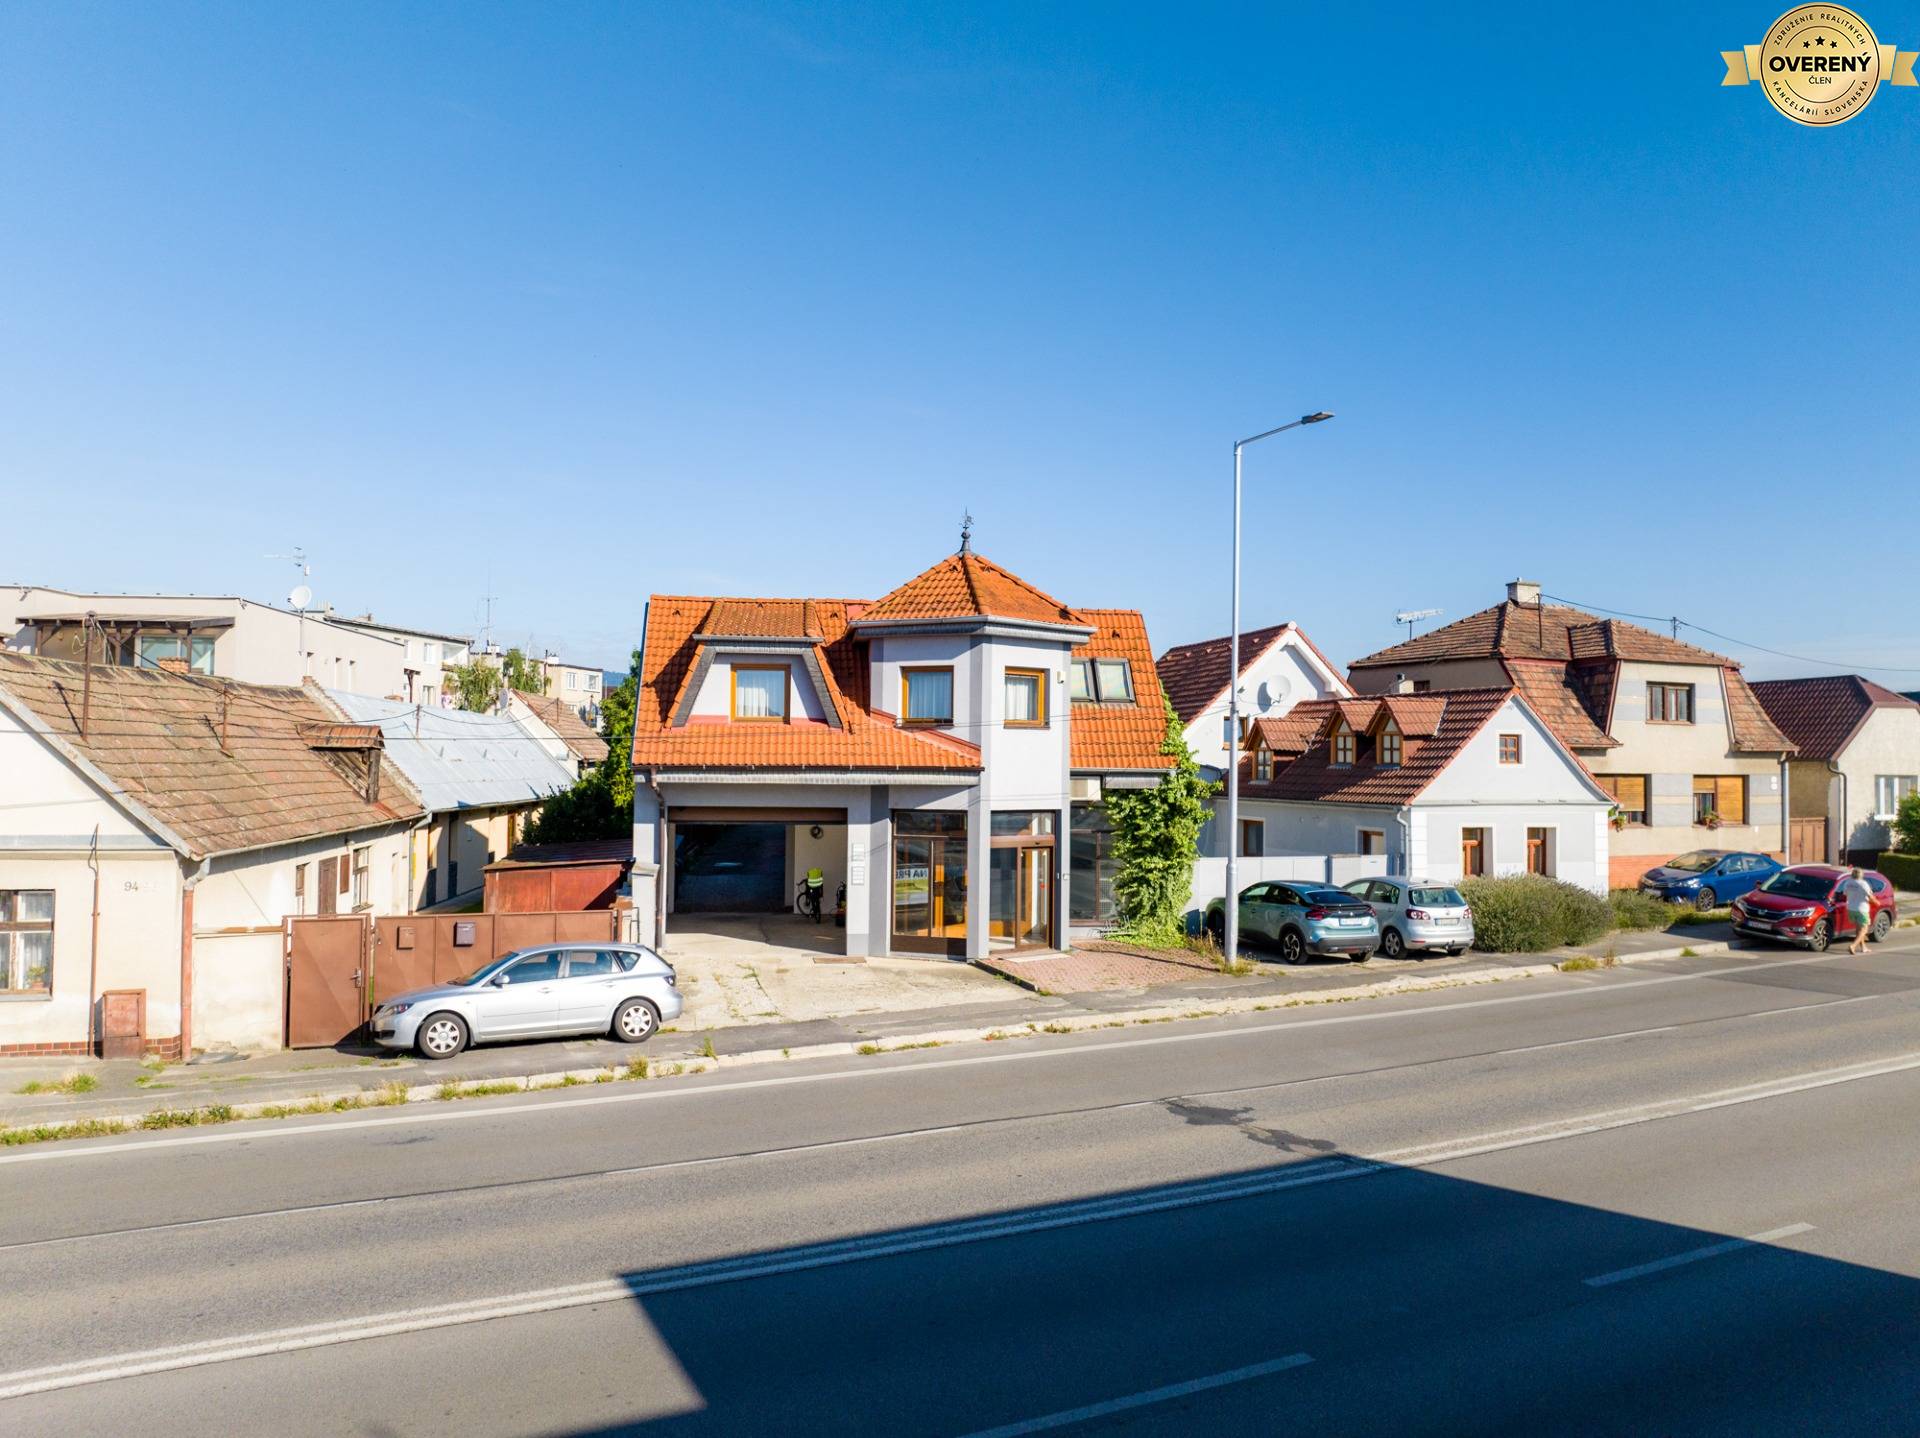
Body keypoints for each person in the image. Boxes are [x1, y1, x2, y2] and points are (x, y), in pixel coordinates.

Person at [1840, 867, 1876, 955]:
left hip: (1851, 908)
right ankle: (1853, 946)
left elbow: (1844, 894)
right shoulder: (1863, 884)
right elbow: (1870, 896)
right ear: (1861, 875)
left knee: (1858, 929)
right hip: (1862, 909)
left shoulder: (1847, 882)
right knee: (1864, 929)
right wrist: (1876, 902)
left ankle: (1863, 947)